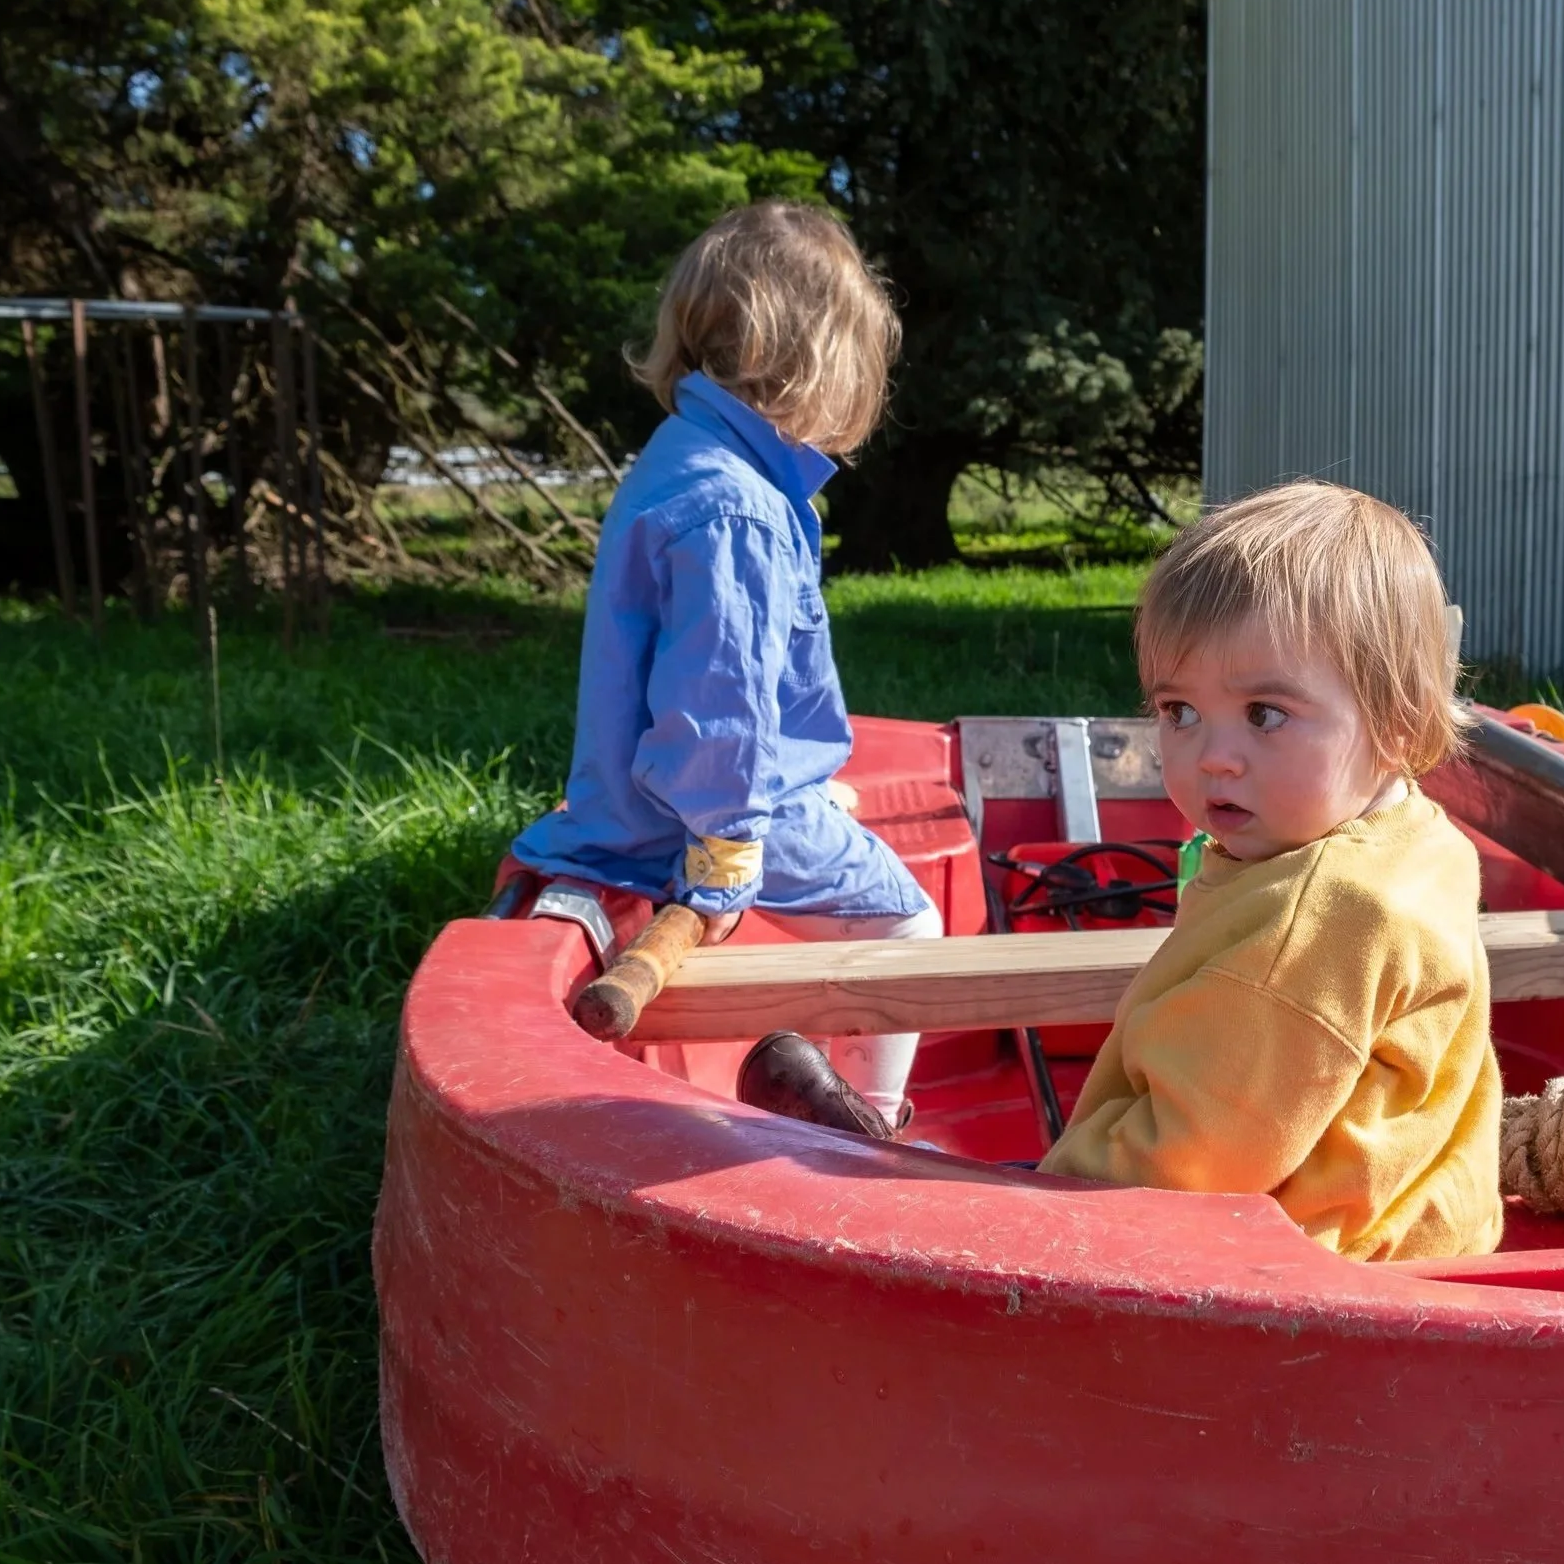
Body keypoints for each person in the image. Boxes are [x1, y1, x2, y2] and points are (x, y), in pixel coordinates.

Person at [510, 201, 940, 1134]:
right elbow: (721, 710)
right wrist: (728, 849)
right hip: (703, 818)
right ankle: (870, 1124)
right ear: (820, 363)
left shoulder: (683, 458)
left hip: (643, 797)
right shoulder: (740, 510)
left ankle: (823, 1081)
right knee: (911, 928)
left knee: (832, 812)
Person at [1034, 482, 1503, 1262]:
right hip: (1421, 1235)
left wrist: (1040, 1189)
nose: (1211, 756)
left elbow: (1190, 1165)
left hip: (1296, 1279)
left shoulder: (1320, 916)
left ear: (1397, 721)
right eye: (1178, 710)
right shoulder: (1416, 837)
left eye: (1265, 714)